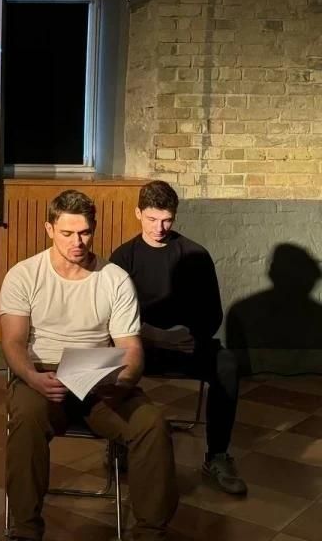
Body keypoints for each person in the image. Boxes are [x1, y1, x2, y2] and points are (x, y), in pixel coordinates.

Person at [0, 189, 178, 541]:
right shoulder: (24, 275)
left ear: (93, 230)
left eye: (84, 233)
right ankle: (25, 528)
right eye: (67, 233)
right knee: (26, 418)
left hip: (99, 376)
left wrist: (123, 380)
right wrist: (33, 378)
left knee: (151, 424)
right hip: (43, 372)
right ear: (49, 229)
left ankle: (150, 532)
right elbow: (13, 342)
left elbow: (130, 348)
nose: (77, 242)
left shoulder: (115, 278)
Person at [110, 180, 246, 495]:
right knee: (110, 361)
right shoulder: (123, 257)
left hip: (186, 343)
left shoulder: (196, 254)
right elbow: (111, 316)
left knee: (227, 365)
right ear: (138, 213)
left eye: (166, 220)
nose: (159, 228)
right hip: (139, 344)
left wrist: (184, 336)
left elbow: (212, 314)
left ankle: (217, 455)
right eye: (152, 219)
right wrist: (154, 336)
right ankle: (119, 443)